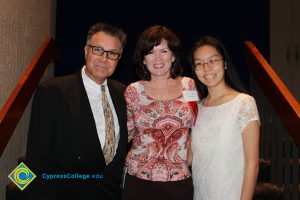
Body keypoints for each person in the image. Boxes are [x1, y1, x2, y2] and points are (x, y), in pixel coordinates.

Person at [25, 22, 128, 200]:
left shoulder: (124, 93)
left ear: (119, 59)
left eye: (112, 54)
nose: (104, 59)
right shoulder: (52, 91)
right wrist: (27, 190)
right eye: (98, 49)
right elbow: (35, 158)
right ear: (86, 50)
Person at [121, 25, 199, 200]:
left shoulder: (190, 86)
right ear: (143, 59)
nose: (157, 58)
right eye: (150, 51)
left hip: (178, 178)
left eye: (164, 51)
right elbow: (126, 133)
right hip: (138, 178)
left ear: (173, 56)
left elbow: (199, 123)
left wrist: (192, 151)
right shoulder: (133, 91)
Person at [189, 36, 260, 200]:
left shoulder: (243, 103)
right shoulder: (197, 108)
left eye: (213, 60)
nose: (206, 68)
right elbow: (190, 158)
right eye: (199, 63)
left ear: (225, 63)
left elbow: (252, 164)